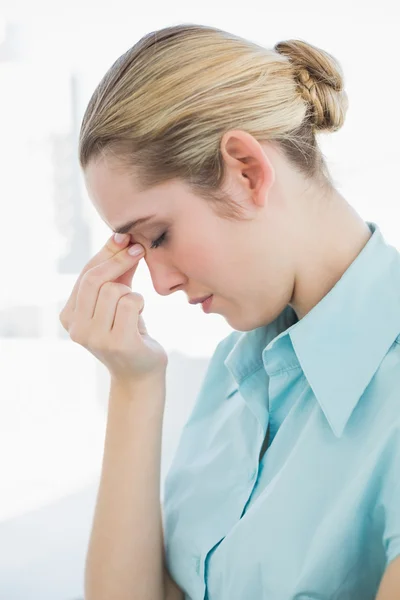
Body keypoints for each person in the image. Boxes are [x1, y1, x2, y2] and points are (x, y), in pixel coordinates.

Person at [60, 23, 400, 600]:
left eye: (158, 235)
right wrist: (134, 385)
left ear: (246, 169)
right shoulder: (235, 371)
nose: (159, 284)